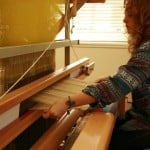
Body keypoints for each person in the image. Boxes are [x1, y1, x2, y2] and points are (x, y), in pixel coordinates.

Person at [43, 0, 150, 149]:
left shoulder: (147, 50)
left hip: (146, 123)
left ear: (145, 19)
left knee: (106, 141)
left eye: (131, 15)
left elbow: (116, 87)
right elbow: (139, 76)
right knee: (114, 126)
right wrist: (111, 79)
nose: (124, 20)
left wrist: (66, 102)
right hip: (142, 116)